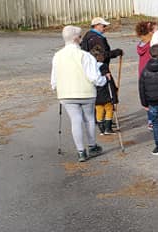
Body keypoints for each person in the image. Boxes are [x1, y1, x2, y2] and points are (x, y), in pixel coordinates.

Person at [51, 25, 108, 161]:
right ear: (76, 39)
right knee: (89, 118)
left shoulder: (57, 56)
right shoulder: (85, 56)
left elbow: (54, 78)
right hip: (86, 92)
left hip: (66, 93)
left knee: (75, 120)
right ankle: (92, 145)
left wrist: (57, 88)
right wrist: (103, 80)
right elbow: (94, 77)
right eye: (80, 36)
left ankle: (81, 151)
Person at [88, 45, 119, 135]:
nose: (103, 57)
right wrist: (114, 92)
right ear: (98, 57)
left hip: (95, 94)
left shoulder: (90, 68)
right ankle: (108, 128)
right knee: (109, 109)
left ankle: (101, 129)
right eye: (102, 56)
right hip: (105, 92)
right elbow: (109, 81)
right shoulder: (103, 66)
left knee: (99, 110)